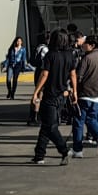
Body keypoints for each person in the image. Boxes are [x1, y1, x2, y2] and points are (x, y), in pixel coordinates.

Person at [29, 29, 76, 164]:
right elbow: (73, 75)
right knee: (46, 125)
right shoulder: (69, 55)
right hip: (62, 95)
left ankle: (64, 150)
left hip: (50, 95)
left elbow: (45, 74)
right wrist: (75, 92)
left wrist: (36, 91)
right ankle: (39, 154)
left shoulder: (50, 55)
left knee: (50, 126)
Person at [71, 35, 98, 157]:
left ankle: (78, 150)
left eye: (86, 44)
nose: (83, 45)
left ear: (92, 45)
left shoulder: (86, 58)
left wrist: (74, 91)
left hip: (85, 93)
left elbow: (79, 77)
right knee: (91, 118)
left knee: (79, 121)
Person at [2, 36, 29, 100]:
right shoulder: (11, 49)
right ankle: (9, 91)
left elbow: (23, 59)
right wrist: (5, 66)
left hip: (18, 66)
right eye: (17, 41)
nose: (18, 42)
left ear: (21, 42)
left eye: (20, 41)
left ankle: (12, 94)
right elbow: (8, 58)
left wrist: (23, 67)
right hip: (11, 65)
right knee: (8, 80)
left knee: (15, 80)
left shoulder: (23, 49)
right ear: (15, 41)